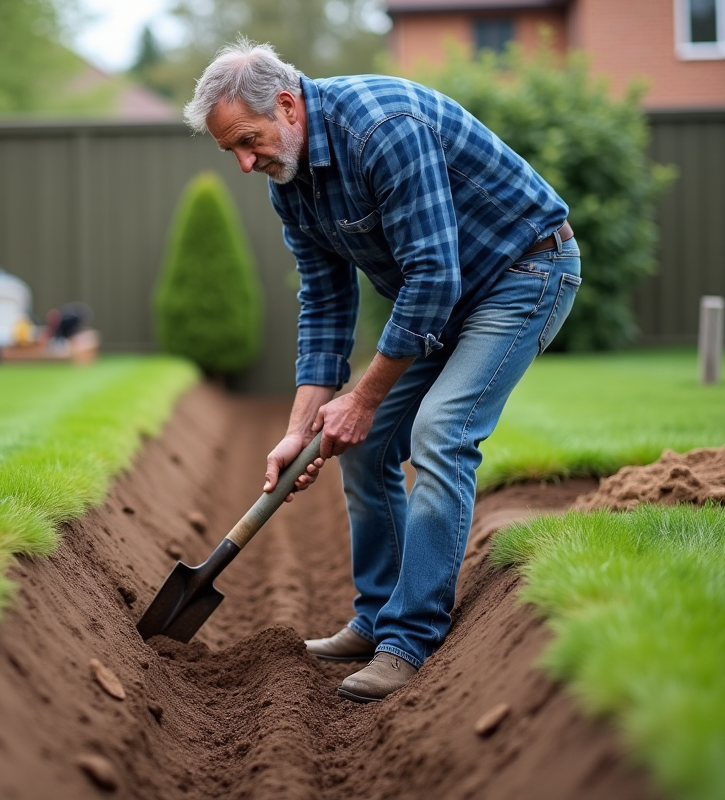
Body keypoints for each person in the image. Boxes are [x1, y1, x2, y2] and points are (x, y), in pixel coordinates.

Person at [183, 40, 582, 703]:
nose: (246, 163)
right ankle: (376, 618)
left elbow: (432, 275)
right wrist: (299, 430)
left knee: (442, 433)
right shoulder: (290, 182)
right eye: (233, 152)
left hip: (523, 273)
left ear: (286, 105)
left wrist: (362, 399)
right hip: (445, 300)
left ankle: (410, 637)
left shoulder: (381, 128)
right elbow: (325, 302)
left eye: (248, 141)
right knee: (365, 452)